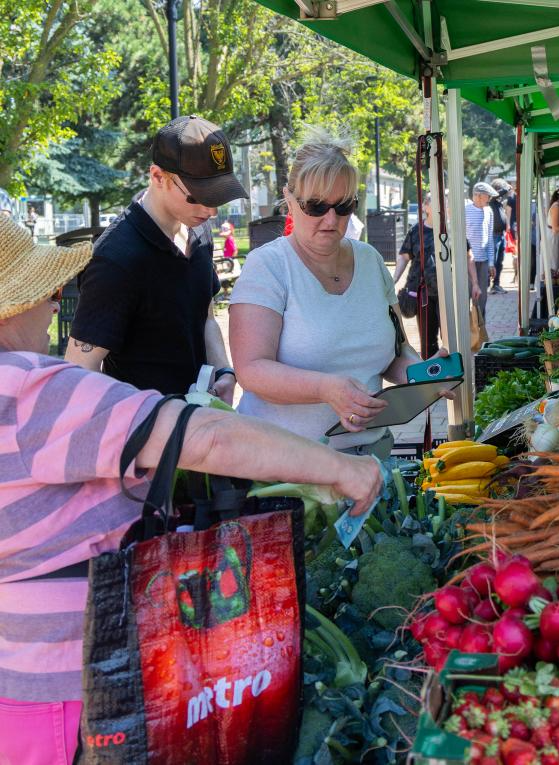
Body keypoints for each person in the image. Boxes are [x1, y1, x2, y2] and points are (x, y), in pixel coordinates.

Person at [0, 216, 382, 765]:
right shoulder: (31, 391)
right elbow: (205, 438)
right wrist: (340, 469)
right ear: (12, 308)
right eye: (49, 293)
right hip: (80, 687)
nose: (55, 307)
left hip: (18, 682)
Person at [228, 127, 446, 461]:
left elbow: (396, 351)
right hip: (287, 463)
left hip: (371, 455)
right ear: (289, 199)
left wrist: (423, 376)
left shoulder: (371, 261)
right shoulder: (268, 266)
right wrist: (326, 389)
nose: (331, 219)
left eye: (344, 206)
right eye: (316, 206)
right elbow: (251, 370)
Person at [66, 115, 247, 401]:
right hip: (144, 424)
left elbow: (206, 316)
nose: (211, 211)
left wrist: (223, 371)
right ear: (158, 177)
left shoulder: (199, 228)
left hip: (200, 417)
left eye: (217, 196)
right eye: (197, 196)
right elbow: (80, 371)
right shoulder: (115, 259)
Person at [394, 195, 442, 357]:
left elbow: (467, 256)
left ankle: (451, 368)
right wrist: (393, 280)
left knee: (450, 336)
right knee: (428, 340)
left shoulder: (450, 230)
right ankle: (431, 369)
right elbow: (404, 257)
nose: (441, 206)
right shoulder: (416, 231)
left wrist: (474, 282)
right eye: (436, 203)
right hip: (424, 293)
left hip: (447, 292)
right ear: (426, 207)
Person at [466, 182, 496, 323]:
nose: (489, 198)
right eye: (487, 196)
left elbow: (490, 238)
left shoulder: (489, 211)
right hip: (466, 262)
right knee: (466, 297)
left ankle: (480, 329)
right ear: (478, 195)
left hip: (483, 262)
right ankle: (466, 330)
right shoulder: (464, 211)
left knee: (481, 299)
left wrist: (491, 262)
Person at [489, 179, 512, 294]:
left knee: (499, 262)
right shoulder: (491, 198)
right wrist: (507, 187)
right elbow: (496, 194)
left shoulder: (498, 202)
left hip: (500, 235)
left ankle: (496, 285)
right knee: (492, 261)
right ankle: (487, 285)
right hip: (494, 235)